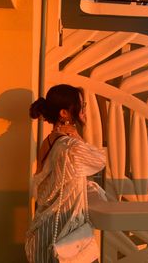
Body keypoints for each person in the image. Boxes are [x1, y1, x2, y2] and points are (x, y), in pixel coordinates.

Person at [25, 84, 106, 263]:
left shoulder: (48, 142)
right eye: (80, 105)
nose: (83, 109)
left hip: (43, 230)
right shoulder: (70, 146)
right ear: (64, 113)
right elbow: (99, 161)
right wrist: (82, 131)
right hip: (66, 233)